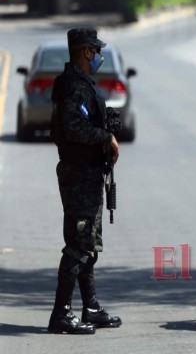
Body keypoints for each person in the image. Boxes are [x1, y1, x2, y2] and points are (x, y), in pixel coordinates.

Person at [47, 28, 121, 334]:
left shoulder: (78, 84)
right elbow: (73, 127)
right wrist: (107, 137)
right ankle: (60, 313)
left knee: (88, 244)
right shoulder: (74, 87)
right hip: (79, 174)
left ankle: (90, 307)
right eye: (95, 51)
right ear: (85, 52)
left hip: (87, 173)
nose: (98, 57)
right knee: (78, 244)